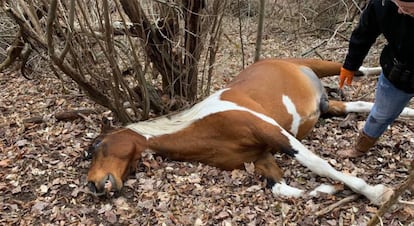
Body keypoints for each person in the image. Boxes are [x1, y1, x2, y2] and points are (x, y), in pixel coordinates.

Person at [338, 0, 414, 157]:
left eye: (406, 9)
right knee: (380, 115)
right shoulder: (382, 4)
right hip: (397, 72)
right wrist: (351, 64)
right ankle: (360, 148)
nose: (400, 11)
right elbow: (364, 32)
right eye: (398, 5)